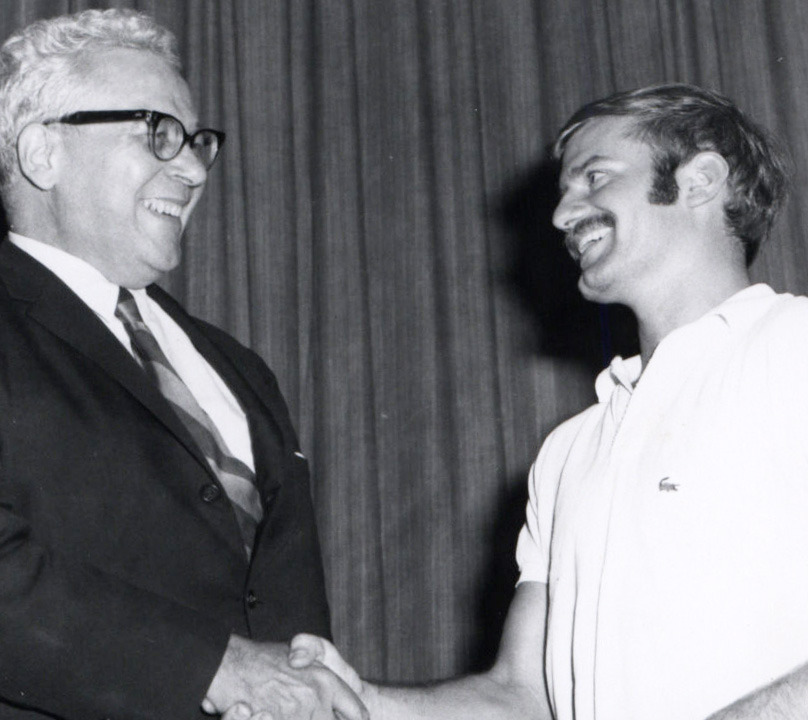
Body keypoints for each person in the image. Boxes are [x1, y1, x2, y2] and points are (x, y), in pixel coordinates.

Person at [0, 9, 365, 720]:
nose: (192, 169)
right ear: (43, 153)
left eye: (197, 142)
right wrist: (218, 669)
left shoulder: (240, 369)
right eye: (158, 131)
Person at [271, 83, 808, 720]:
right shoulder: (569, 450)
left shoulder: (793, 346)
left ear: (701, 180)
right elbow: (522, 696)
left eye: (595, 177)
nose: (560, 215)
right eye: (564, 189)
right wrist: (359, 702)